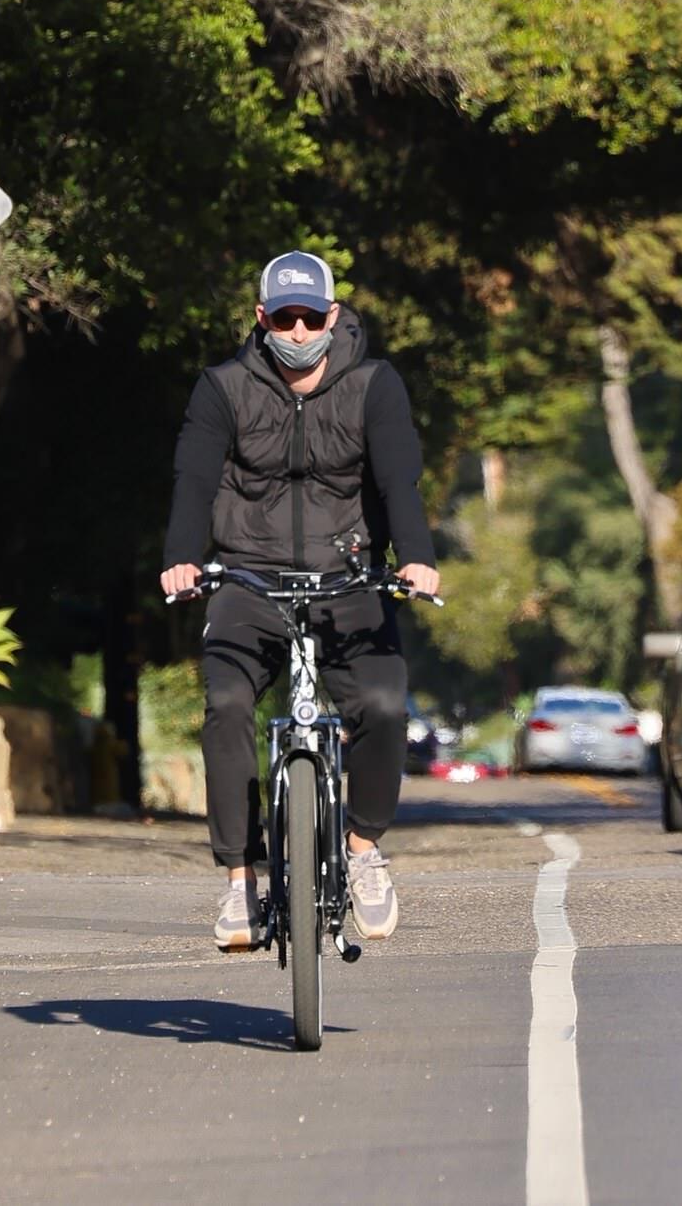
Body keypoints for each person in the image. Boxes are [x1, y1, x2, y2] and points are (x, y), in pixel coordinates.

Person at [160, 250, 439, 948]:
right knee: (226, 707)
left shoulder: (375, 384)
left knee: (380, 705)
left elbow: (398, 481)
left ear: (331, 316)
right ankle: (238, 883)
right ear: (261, 319)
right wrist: (182, 559)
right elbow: (193, 479)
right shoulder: (222, 388)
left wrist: (418, 560)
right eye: (282, 317)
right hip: (249, 579)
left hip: (346, 578)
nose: (296, 328)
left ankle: (365, 847)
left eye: (309, 316)